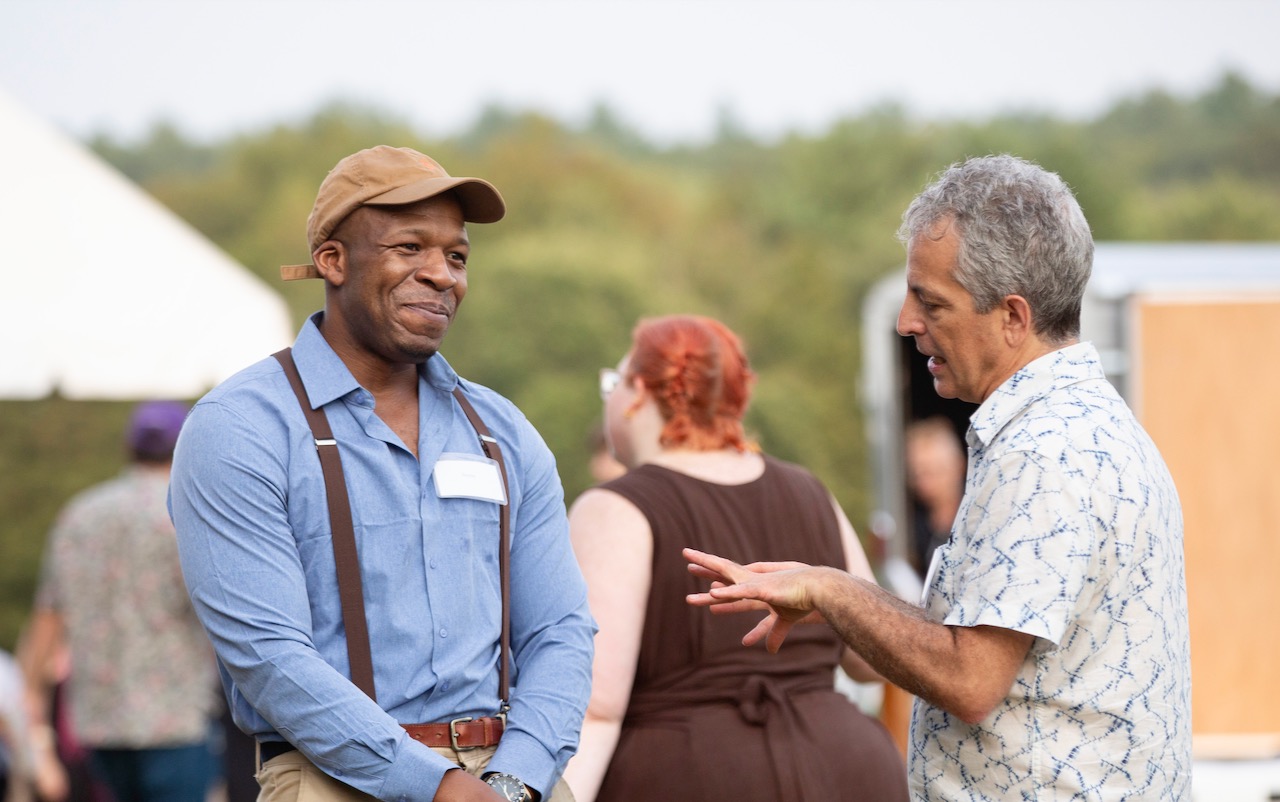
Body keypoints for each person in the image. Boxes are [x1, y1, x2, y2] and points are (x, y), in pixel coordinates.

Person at [685, 155, 1192, 800]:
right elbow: (973, 640)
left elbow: (970, 679)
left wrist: (833, 591)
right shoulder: (1086, 425)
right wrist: (837, 604)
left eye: (931, 301)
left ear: (1013, 317)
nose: (906, 322)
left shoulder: (1042, 453)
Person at [167, 145, 595, 802]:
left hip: (514, 781)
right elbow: (268, 654)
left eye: (457, 257)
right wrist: (438, 786)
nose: (441, 275)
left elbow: (560, 630)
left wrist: (514, 780)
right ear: (332, 261)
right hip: (333, 777)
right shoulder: (240, 428)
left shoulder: (502, 431)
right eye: (409, 248)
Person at [564, 315, 908, 802]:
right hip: (849, 771)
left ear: (637, 391)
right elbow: (873, 659)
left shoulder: (614, 507)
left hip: (693, 777)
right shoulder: (810, 491)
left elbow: (595, 710)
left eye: (612, 384)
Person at [22, 401, 221, 802]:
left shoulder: (80, 514)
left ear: (129, 447)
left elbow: (47, 619)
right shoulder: (185, 514)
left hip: (99, 719)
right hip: (176, 717)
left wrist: (31, 707)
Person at [902, 416, 965, 579]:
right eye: (916, 475)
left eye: (933, 473)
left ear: (959, 466)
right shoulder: (909, 524)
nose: (924, 484)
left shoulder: (976, 517)